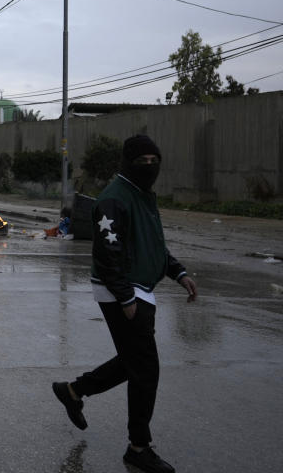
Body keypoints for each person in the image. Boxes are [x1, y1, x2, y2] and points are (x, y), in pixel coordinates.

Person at [51, 134, 198, 473]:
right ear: (127, 162)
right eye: (142, 161)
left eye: (153, 161)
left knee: (135, 361)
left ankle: (73, 391)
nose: (149, 167)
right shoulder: (115, 199)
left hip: (138, 287)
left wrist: (178, 272)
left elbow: (153, 245)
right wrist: (125, 296)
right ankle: (138, 447)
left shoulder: (141, 194)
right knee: (146, 369)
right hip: (122, 290)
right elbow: (106, 253)